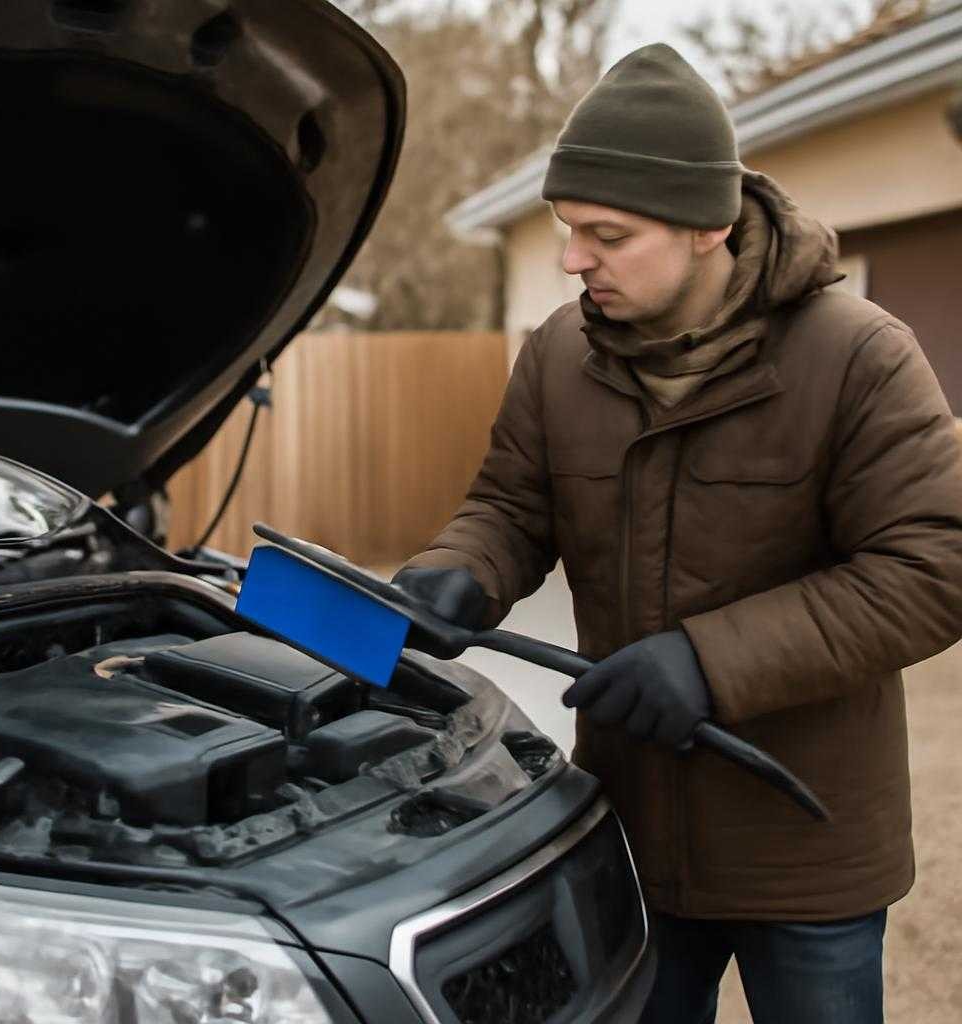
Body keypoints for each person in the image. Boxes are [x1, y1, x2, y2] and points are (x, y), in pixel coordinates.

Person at [391, 43, 962, 1024]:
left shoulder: (857, 356)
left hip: (804, 843)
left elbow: (933, 564)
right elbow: (510, 506)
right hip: (630, 828)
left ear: (707, 226)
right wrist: (458, 569)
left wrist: (710, 661)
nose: (574, 259)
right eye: (568, 230)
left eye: (605, 234)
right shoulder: (559, 355)